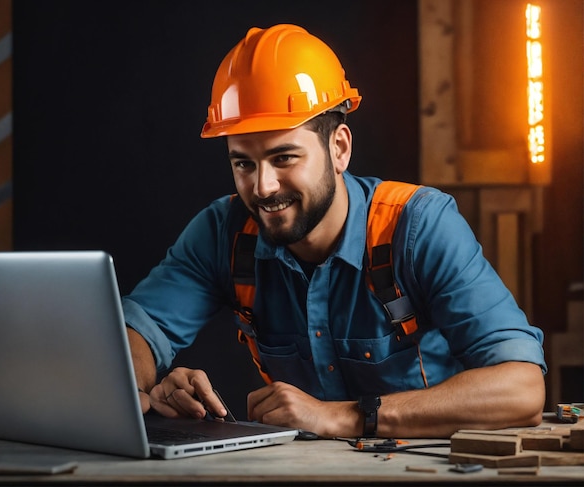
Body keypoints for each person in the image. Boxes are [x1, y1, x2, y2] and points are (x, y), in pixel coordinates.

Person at [123, 24, 546, 439]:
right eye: (243, 164)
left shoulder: (419, 227)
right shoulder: (223, 233)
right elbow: (131, 337)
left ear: (339, 148)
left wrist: (344, 417)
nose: (262, 187)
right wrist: (144, 386)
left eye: (284, 157)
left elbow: (521, 388)